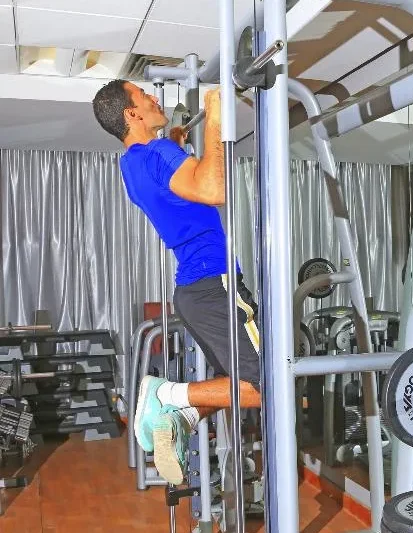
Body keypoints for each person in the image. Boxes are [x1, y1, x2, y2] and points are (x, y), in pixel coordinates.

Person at [92, 81, 262, 485]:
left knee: (231, 383)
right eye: (144, 95)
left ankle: (178, 417)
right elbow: (214, 189)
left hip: (194, 290)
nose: (155, 98)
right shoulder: (158, 154)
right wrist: (215, 115)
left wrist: (174, 144)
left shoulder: (132, 164)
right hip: (216, 283)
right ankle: (164, 394)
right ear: (132, 113)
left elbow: (174, 189)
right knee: (264, 383)